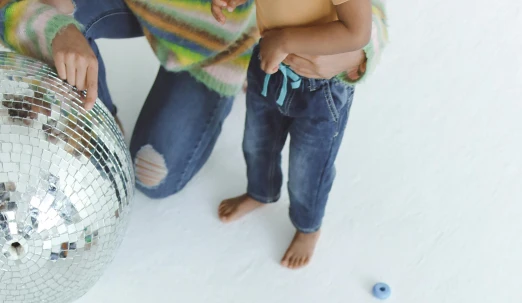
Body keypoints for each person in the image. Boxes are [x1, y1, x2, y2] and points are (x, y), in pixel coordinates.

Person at [0, 0, 387, 217]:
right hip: (151, 10)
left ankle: (303, 219)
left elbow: (363, 19)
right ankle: (97, 117)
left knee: (150, 177)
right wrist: (56, 29)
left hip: (228, 46)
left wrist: (353, 54)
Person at [212, 0, 377, 268]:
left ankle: (308, 226)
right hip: (268, 61)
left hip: (320, 84)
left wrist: (287, 40)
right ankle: (260, 191)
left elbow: (358, 32)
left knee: (308, 167)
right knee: (257, 141)